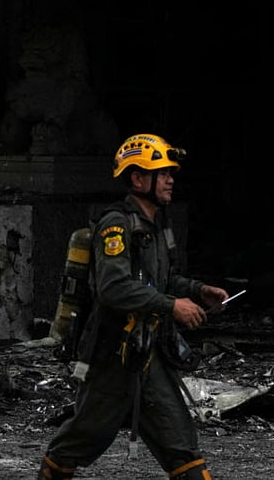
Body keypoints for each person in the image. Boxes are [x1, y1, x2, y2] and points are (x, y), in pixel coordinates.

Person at [37, 133, 229, 479]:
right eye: (163, 173)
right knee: (81, 440)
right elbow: (115, 288)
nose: (171, 179)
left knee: (181, 444)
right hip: (112, 358)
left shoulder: (156, 227)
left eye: (171, 173)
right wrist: (172, 307)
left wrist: (200, 291)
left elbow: (162, 280)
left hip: (147, 354)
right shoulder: (117, 225)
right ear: (138, 179)